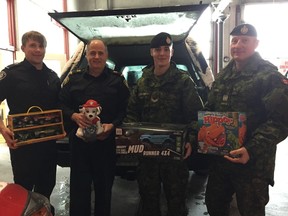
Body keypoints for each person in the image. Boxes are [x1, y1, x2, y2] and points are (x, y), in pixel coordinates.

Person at [204, 23, 288, 216]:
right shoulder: (224, 76)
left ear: (255, 44)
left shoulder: (268, 76)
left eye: (245, 41)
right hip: (222, 160)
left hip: (252, 164)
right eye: (234, 41)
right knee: (214, 205)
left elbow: (281, 121)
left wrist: (251, 149)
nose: (238, 45)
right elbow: (210, 110)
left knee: (251, 211)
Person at [125, 32, 204, 216]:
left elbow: (196, 116)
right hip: (147, 157)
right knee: (148, 204)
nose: (162, 53)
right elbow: (131, 113)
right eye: (158, 49)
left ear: (172, 52)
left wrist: (190, 140)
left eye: (166, 49)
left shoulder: (184, 81)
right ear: (151, 52)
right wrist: (129, 136)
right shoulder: (142, 81)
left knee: (176, 204)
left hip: (175, 156)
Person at [58, 38, 130, 216]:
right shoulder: (73, 79)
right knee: (79, 190)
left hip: (105, 145)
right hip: (80, 146)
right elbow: (60, 103)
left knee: (104, 190)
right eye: (92, 53)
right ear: (86, 54)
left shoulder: (117, 81)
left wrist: (112, 126)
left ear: (106, 55)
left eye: (100, 53)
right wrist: (73, 116)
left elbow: (126, 109)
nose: (96, 56)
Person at [0, 31, 61, 215]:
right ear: (23, 48)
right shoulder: (11, 74)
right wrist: (2, 129)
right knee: (23, 189)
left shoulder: (52, 77)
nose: (37, 50)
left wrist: (63, 126)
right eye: (33, 45)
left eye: (41, 46)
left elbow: (61, 106)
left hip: (48, 145)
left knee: (46, 186)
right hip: (23, 145)